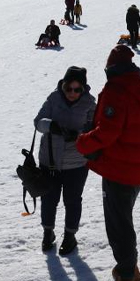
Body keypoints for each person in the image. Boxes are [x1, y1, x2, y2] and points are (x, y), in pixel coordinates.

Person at [76, 45, 140, 281]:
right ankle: (130, 270)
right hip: (137, 167)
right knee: (124, 219)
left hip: (119, 169)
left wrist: (83, 143)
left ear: (111, 68)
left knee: (118, 225)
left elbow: (108, 132)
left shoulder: (117, 90)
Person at [34, 66, 95, 255]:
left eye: (77, 89)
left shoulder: (90, 104)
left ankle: (70, 236)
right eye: (69, 88)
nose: (72, 93)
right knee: (48, 199)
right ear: (63, 86)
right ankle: (48, 233)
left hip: (76, 163)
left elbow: (94, 131)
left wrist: (77, 135)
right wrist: (51, 126)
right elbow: (38, 122)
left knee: (72, 201)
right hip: (49, 160)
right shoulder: (54, 98)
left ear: (83, 89)